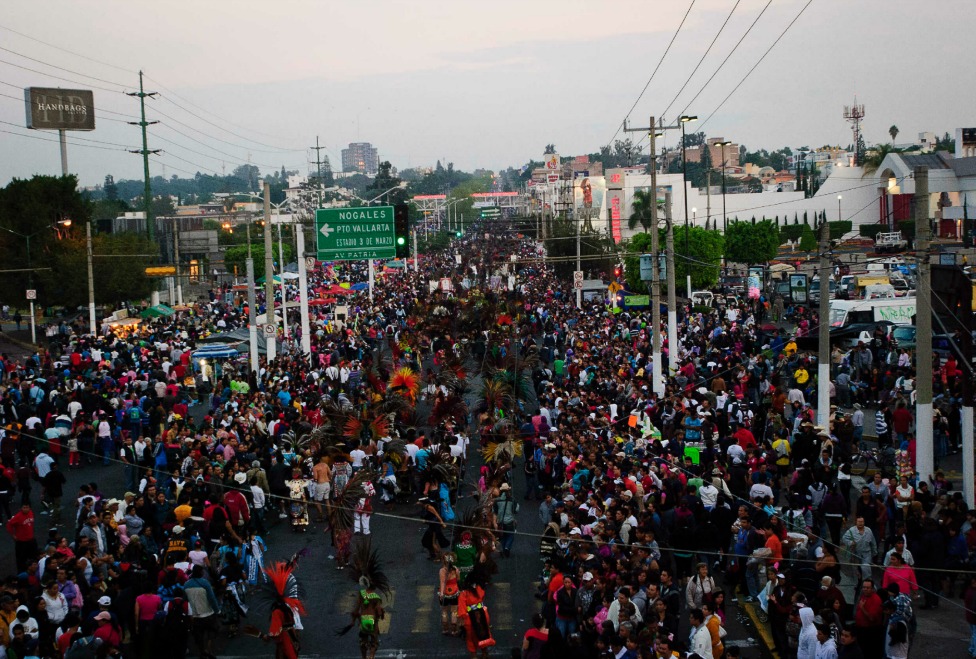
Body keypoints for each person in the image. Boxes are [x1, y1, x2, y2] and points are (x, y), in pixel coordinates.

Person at [458, 576, 495, 659]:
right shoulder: (479, 589)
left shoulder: (463, 593)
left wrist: (461, 623)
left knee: (470, 638)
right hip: (482, 614)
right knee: (483, 633)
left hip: (469, 618)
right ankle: (485, 654)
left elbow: (462, 610)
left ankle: (474, 656)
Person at [438, 553, 461, 636]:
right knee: (454, 612)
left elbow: (442, 582)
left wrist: (441, 594)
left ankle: (445, 629)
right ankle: (454, 630)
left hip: (445, 594)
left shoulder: (442, 571)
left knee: (444, 611)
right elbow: (458, 579)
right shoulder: (456, 570)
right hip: (454, 592)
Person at [493, 483, 516, 557]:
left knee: (502, 537)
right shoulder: (512, 500)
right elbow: (516, 510)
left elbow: (494, 512)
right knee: (510, 535)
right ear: (508, 490)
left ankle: (504, 549)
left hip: (500, 522)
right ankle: (507, 548)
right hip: (509, 522)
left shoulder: (496, 501)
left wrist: (495, 523)